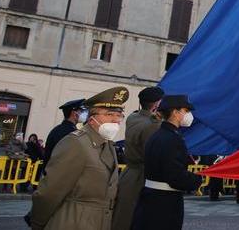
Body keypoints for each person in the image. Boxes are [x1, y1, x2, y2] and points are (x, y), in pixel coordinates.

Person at [29, 86, 128, 230]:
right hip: (72, 221)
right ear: (92, 118)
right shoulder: (76, 143)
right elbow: (50, 192)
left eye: (119, 115)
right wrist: (37, 223)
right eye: (109, 114)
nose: (116, 120)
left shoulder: (107, 144)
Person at [136, 94, 203, 230]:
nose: (188, 115)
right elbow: (175, 176)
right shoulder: (173, 139)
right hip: (165, 202)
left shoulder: (157, 135)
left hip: (150, 197)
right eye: (186, 111)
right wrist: (196, 180)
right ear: (175, 112)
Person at [112, 86, 163, 230]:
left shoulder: (133, 117)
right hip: (142, 175)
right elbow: (152, 154)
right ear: (156, 104)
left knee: (122, 213)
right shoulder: (153, 125)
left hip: (129, 173)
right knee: (134, 217)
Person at [42, 98, 86, 171]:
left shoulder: (57, 129)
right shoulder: (71, 133)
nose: (84, 114)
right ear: (74, 114)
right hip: (58, 174)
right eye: (81, 111)